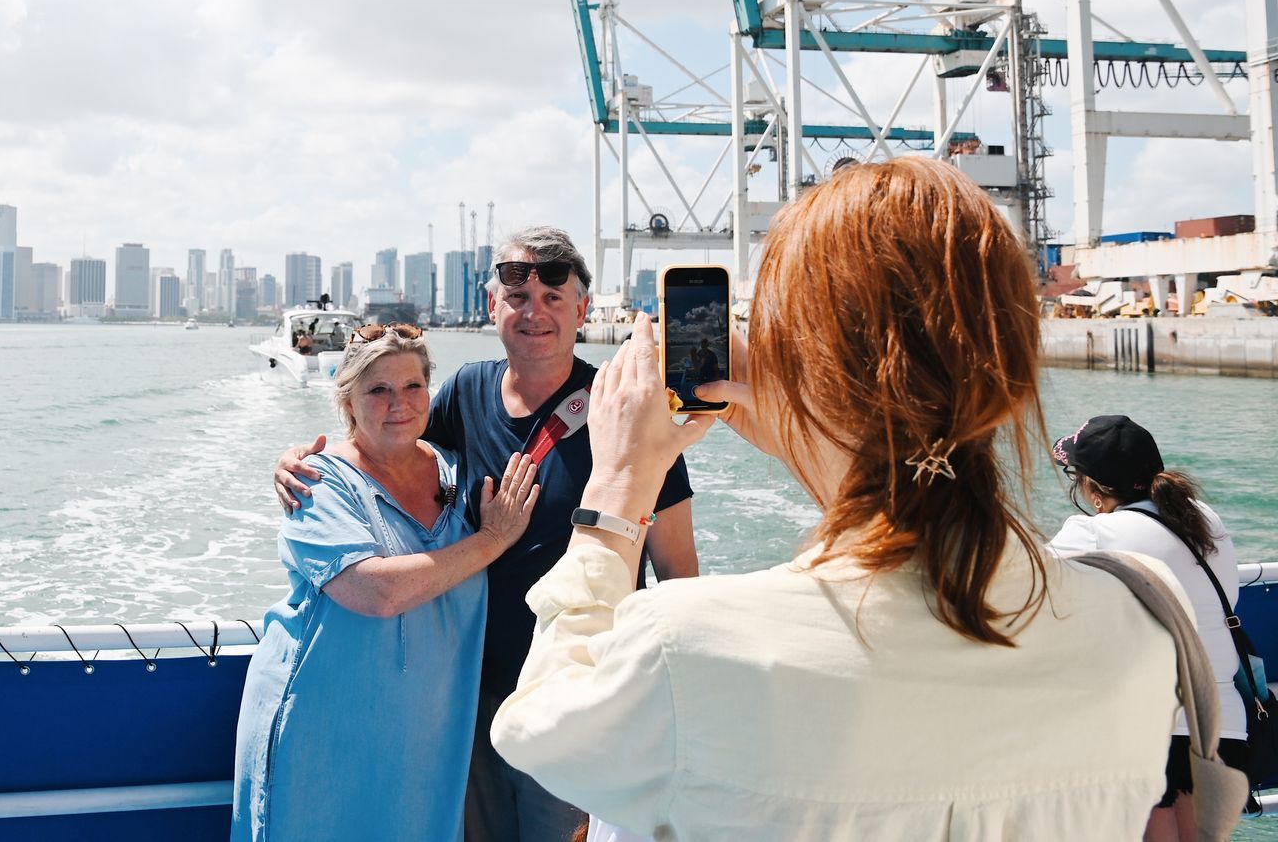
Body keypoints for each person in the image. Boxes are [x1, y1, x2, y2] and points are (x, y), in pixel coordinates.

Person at [491, 158, 1184, 839]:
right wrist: (810, 431)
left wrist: (616, 482)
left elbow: (541, 733)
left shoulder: (690, 650)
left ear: (807, 372)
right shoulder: (1140, 623)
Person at [275, 226, 696, 842]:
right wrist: (300, 461)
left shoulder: (626, 409)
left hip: (580, 698)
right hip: (465, 698)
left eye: (556, 297)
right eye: (518, 294)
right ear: (492, 304)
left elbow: (678, 571)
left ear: (583, 309)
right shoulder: (467, 391)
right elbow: (390, 444)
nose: (535, 312)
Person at [233, 324, 541, 842]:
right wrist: (493, 540)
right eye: (377, 390)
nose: (398, 403)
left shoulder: (457, 472)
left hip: (426, 739)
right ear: (348, 402)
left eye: (412, 386)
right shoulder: (317, 481)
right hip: (322, 728)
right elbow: (375, 592)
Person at [1048, 414, 1248, 842]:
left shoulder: (1093, 533)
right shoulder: (1205, 519)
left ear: (1094, 487)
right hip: (1222, 725)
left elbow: (1019, 590)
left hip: (1148, 726)